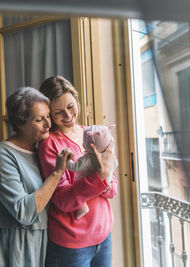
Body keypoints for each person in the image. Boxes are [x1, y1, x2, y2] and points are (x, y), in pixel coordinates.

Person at [0, 87, 73, 267]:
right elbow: (24, 212)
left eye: (48, 116)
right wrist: (57, 173)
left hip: (37, 243)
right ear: (20, 123)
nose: (48, 124)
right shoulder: (2, 155)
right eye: (39, 120)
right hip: (6, 247)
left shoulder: (41, 151)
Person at [38, 76, 118, 267]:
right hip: (72, 243)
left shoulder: (93, 134)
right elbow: (62, 200)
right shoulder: (50, 144)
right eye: (58, 112)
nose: (68, 116)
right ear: (49, 115)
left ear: (76, 99)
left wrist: (104, 178)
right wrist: (99, 177)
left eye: (71, 106)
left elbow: (113, 188)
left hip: (104, 235)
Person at [66, 124, 119, 219]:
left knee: (80, 186)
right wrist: (107, 179)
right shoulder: (109, 156)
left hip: (103, 223)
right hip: (106, 183)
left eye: (70, 107)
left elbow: (74, 167)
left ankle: (82, 206)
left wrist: (66, 161)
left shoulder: (88, 158)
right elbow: (115, 165)